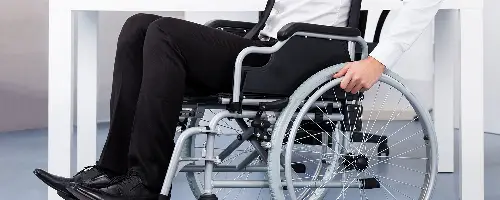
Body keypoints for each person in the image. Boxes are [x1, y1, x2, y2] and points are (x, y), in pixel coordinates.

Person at [34, 0, 444, 199]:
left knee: (163, 34)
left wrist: (377, 60)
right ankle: (114, 170)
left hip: (304, 54)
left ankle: (144, 184)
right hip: (265, 44)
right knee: (139, 25)